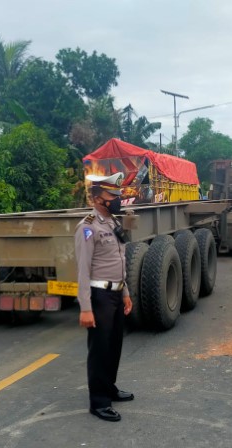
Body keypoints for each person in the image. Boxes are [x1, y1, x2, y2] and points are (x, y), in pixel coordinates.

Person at [74, 172, 134, 422]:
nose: (118, 199)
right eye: (113, 195)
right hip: (99, 296)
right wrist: (85, 308)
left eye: (119, 195)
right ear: (98, 197)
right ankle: (98, 402)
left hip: (116, 293)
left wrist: (126, 293)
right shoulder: (87, 227)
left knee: (114, 345)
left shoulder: (112, 223)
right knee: (99, 349)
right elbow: (83, 270)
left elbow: (119, 262)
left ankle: (109, 386)